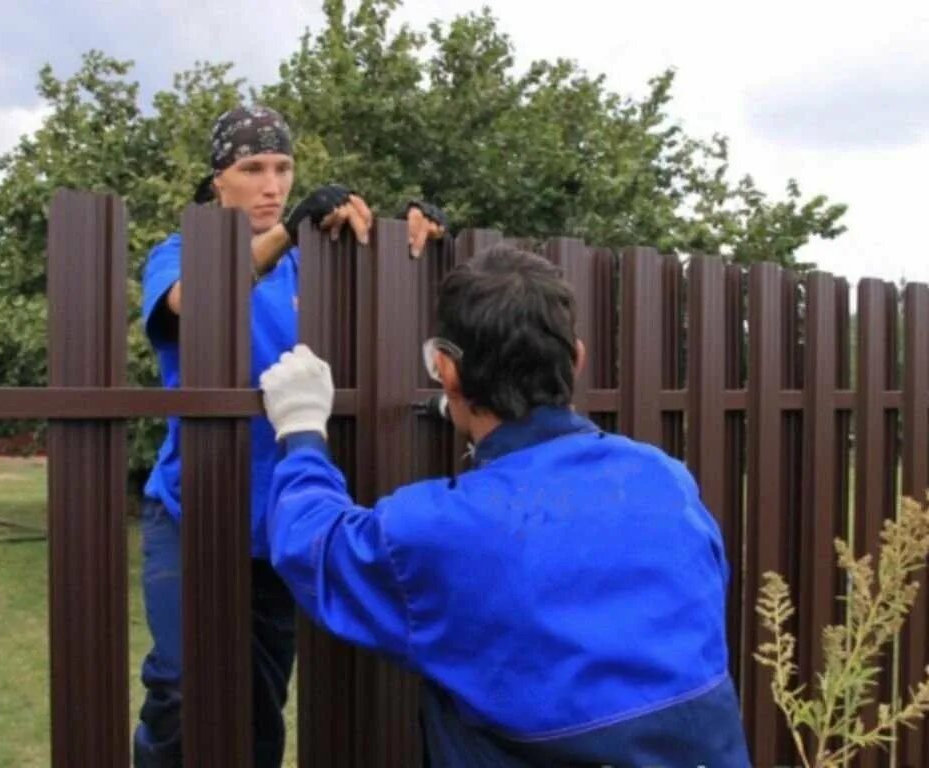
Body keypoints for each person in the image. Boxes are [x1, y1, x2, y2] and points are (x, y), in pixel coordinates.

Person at [259, 245, 751, 766]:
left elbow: (316, 545)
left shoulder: (443, 530)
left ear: (445, 369)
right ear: (577, 359)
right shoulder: (665, 480)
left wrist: (301, 428)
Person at [135, 104, 447, 768]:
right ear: (218, 180)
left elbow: (395, 305)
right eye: (252, 169)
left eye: (283, 169)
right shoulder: (176, 252)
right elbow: (200, 301)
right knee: (180, 685)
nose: (271, 185)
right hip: (189, 511)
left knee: (258, 703)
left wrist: (418, 238)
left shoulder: (316, 269)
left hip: (276, 520)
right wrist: (290, 233)